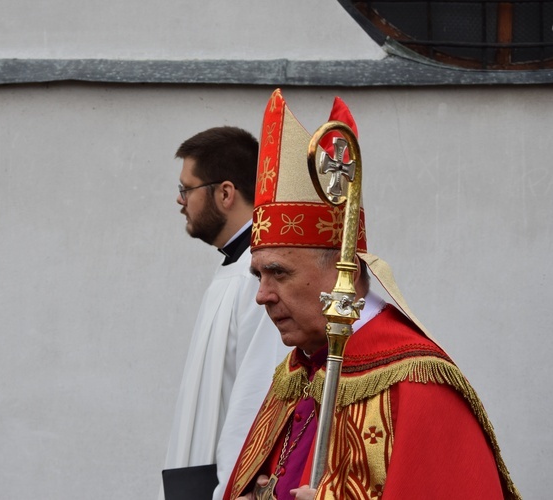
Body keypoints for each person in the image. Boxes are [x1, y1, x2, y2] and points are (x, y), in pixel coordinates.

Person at [222, 90, 521, 500]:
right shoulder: (295, 374)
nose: (262, 295)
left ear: (345, 271)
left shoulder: (418, 387)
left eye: (279, 273)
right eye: (258, 274)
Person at [161, 127, 287, 500]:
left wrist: (232, 490)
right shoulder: (234, 269)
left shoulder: (259, 274)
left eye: (187, 188)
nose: (180, 200)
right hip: (199, 477)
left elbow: (258, 393)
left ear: (225, 193)